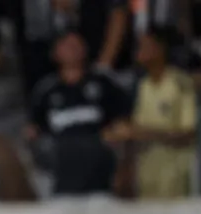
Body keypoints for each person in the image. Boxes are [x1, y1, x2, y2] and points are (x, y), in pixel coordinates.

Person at [25, 31, 130, 196]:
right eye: (67, 45)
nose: (73, 49)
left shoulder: (104, 83)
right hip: (60, 176)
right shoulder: (45, 90)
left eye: (77, 45)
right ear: (55, 53)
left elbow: (123, 124)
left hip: (100, 173)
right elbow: (33, 132)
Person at [128, 29, 196, 199]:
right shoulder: (141, 86)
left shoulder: (180, 82)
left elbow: (187, 134)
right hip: (146, 178)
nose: (139, 52)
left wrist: (144, 134)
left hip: (175, 177)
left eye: (145, 46)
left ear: (160, 49)